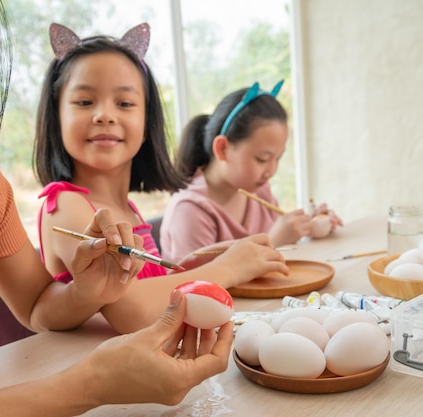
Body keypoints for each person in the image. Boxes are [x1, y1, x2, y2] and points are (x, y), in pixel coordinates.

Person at [0, 1, 233, 414]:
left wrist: (86, 290)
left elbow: (36, 305)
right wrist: (89, 386)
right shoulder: (63, 203)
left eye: (125, 103)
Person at [34, 22, 289, 334]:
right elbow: (134, 311)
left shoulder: (124, 207)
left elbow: (149, 287)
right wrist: (228, 268)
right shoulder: (65, 204)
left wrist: (198, 265)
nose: (105, 115)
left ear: (147, 120)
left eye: (125, 103)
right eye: (85, 102)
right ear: (56, 116)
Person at [160, 81, 343, 262]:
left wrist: (311, 227)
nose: (271, 171)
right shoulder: (190, 211)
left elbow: (280, 254)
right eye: (262, 159)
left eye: (277, 159)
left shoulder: (259, 192)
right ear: (223, 148)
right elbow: (193, 286)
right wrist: (273, 240)